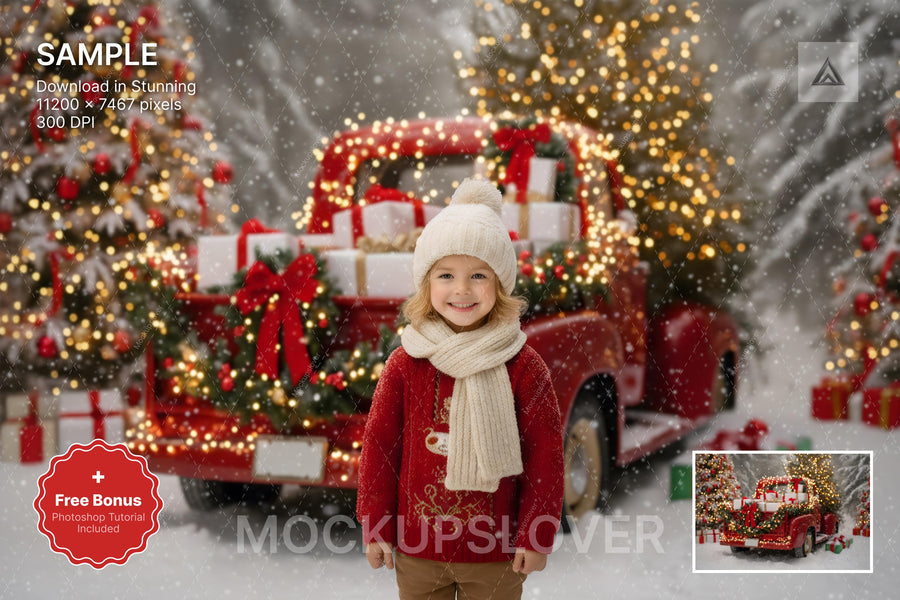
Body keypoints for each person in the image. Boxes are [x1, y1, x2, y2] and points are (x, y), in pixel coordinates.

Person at [356, 178, 564, 600]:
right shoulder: (406, 362)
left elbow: (545, 454)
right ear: (427, 285)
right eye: (446, 275)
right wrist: (375, 525)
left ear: (500, 285)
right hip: (418, 552)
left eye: (478, 275)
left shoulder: (523, 365)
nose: (462, 289)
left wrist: (535, 533)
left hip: (495, 554)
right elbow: (380, 447)